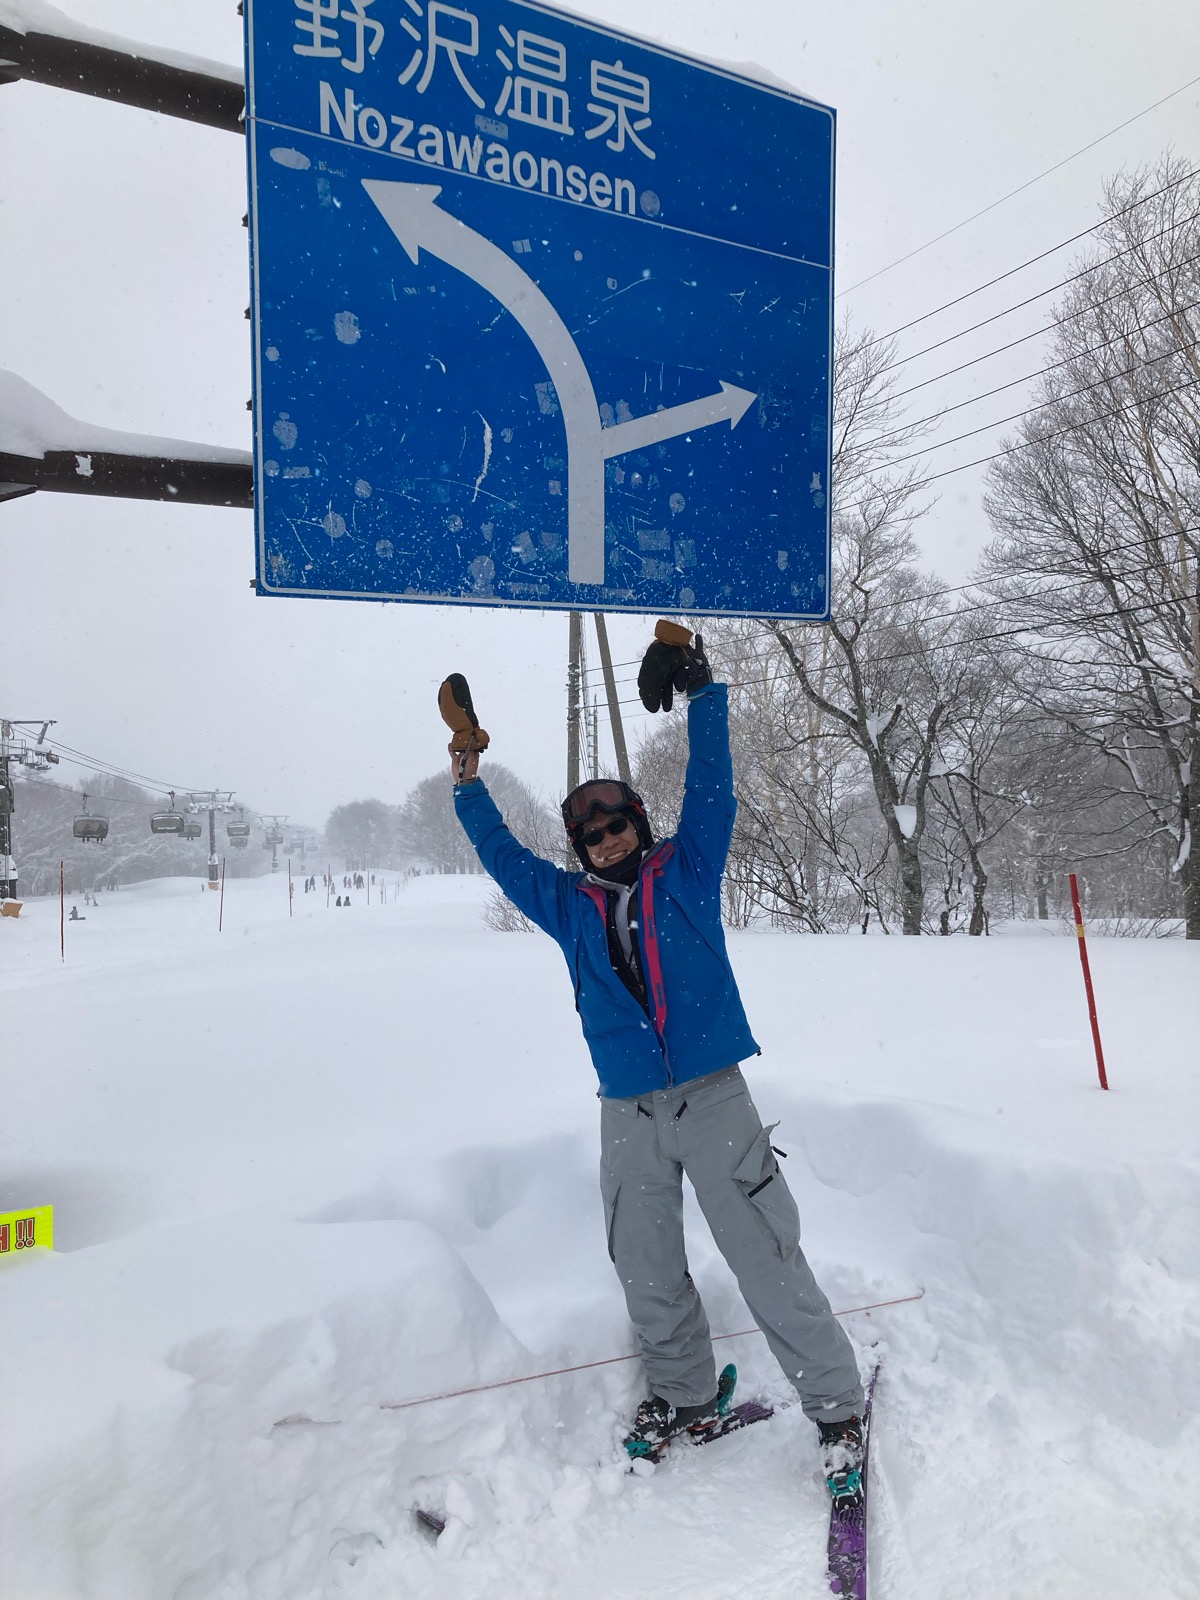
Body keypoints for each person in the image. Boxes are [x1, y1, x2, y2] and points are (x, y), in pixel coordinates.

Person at [449, 630, 867, 1506]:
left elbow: (714, 787)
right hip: (628, 1111)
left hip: (715, 1097)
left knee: (764, 1254)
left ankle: (836, 1412)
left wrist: (704, 693)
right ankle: (684, 1397)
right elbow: (500, 856)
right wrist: (466, 772)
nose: (603, 837)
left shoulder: (688, 870)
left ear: (640, 821)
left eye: (615, 821)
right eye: (588, 831)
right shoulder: (565, 907)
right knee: (644, 1264)